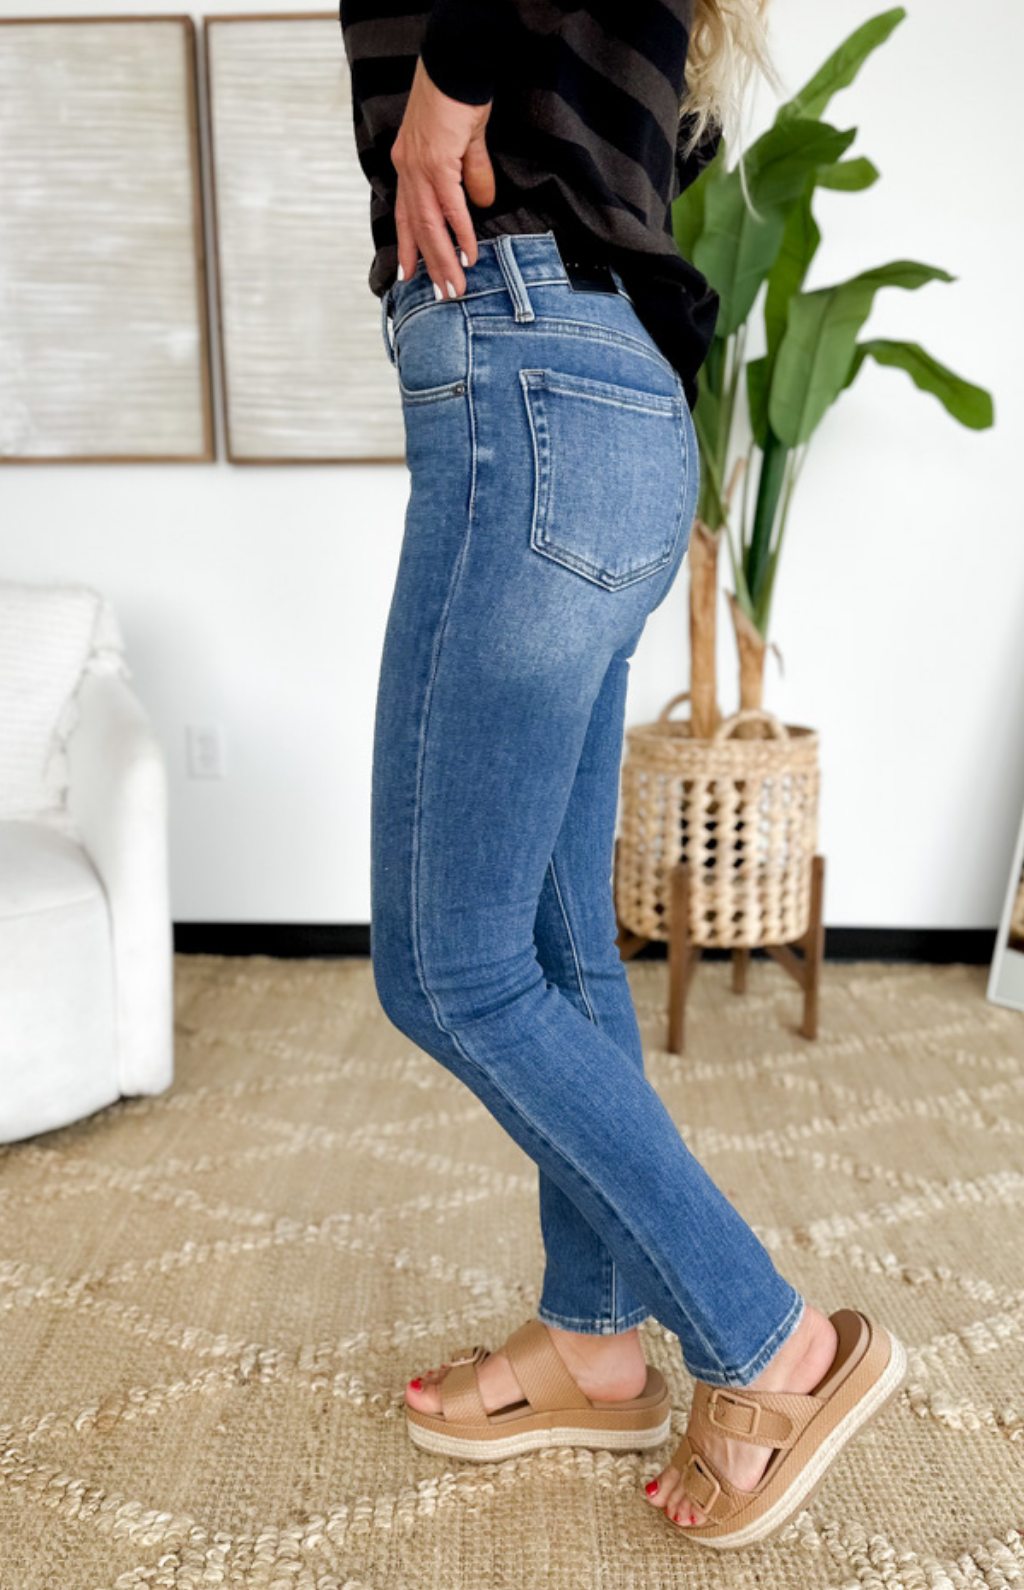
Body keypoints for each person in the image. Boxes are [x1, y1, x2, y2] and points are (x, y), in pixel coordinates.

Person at [339, 0, 907, 1548]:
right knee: (555, 939)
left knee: (448, 966)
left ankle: (770, 1341)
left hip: (523, 362)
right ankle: (594, 1344)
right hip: (611, 396)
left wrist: (448, 83)